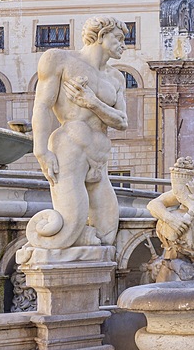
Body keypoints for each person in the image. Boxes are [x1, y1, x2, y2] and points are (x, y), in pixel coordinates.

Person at [26, 16, 128, 250]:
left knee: (107, 231)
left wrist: (92, 103)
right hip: (70, 148)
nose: (124, 44)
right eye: (119, 38)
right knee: (68, 228)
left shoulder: (116, 77)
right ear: (102, 36)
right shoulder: (59, 59)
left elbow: (122, 122)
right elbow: (42, 105)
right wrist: (40, 151)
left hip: (100, 158)